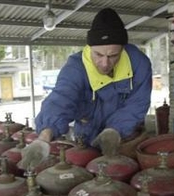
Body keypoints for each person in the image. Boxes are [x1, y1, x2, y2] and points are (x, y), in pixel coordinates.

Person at [34, 8, 152, 156]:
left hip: (124, 138)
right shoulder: (76, 67)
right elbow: (62, 98)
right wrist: (45, 135)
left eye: (113, 56)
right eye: (98, 54)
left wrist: (115, 130)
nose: (104, 63)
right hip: (86, 138)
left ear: (122, 49)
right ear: (90, 47)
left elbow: (138, 103)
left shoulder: (138, 64)